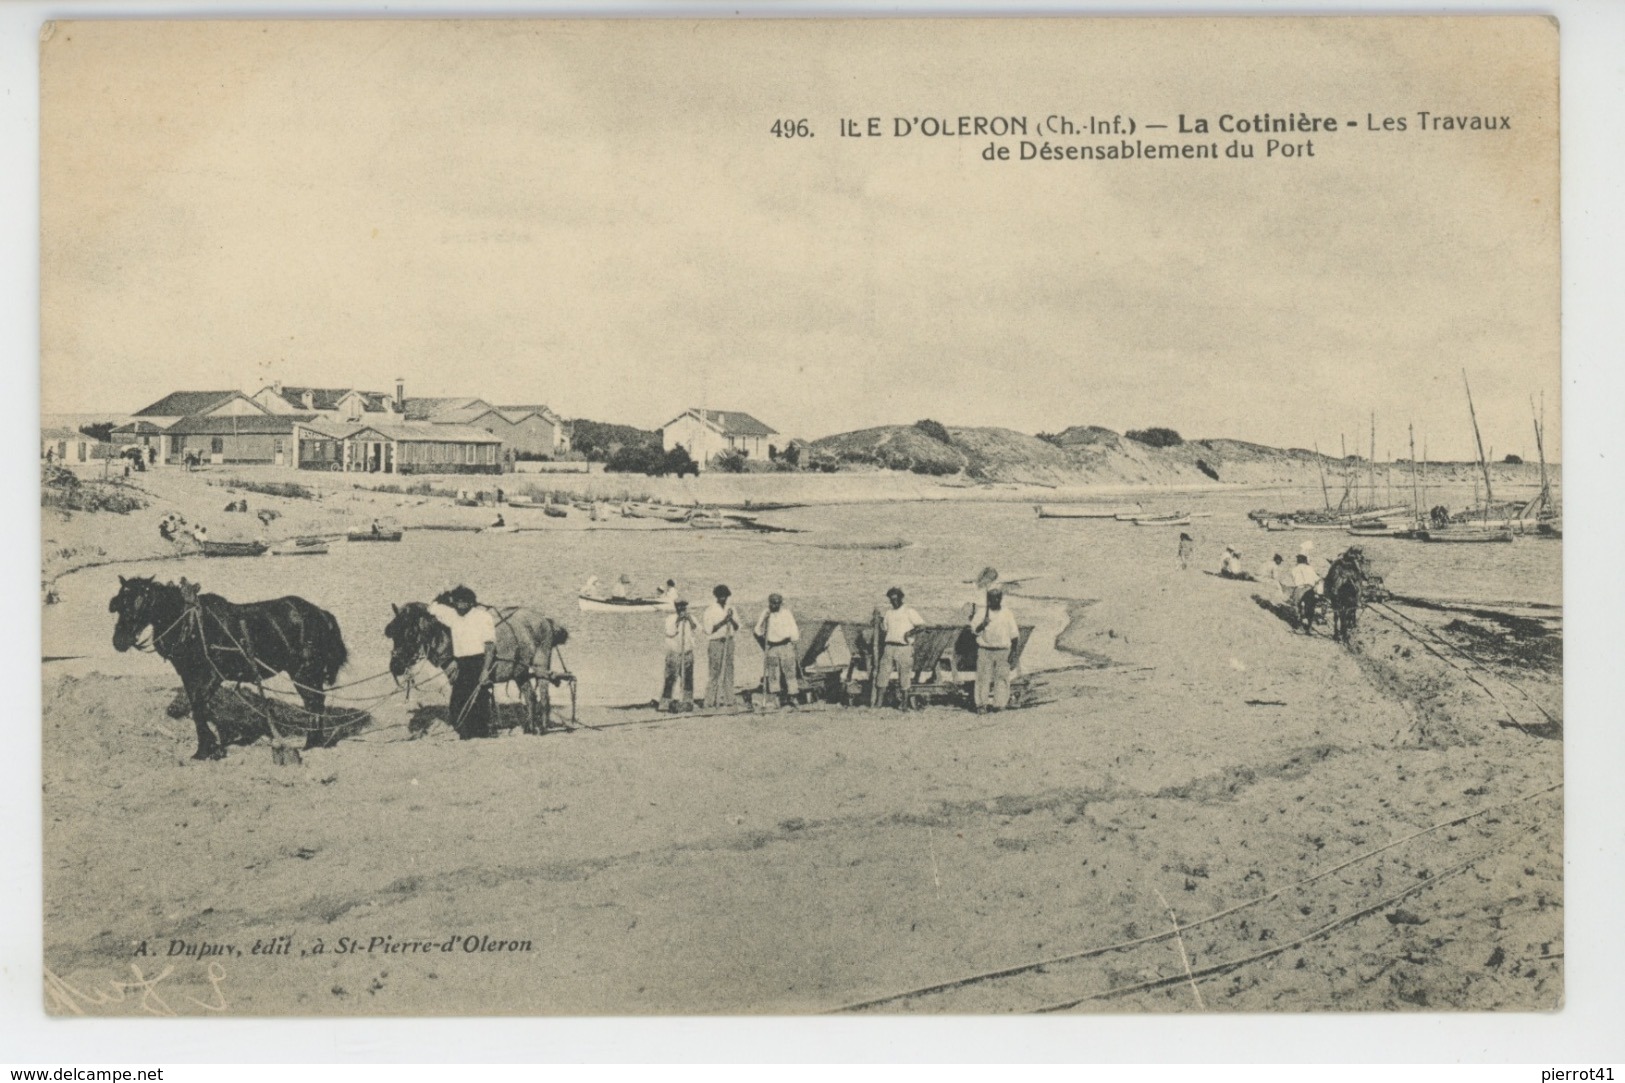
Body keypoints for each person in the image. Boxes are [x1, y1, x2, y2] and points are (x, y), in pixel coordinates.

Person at [427, 585, 498, 738]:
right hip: (461, 663)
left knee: (478, 701)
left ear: (471, 602)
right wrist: (440, 593)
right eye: (457, 601)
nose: (460, 604)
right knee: (457, 702)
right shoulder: (452, 615)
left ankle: (481, 734)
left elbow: (490, 646)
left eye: (464, 601)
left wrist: (485, 671)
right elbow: (432, 608)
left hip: (478, 662)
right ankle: (465, 734)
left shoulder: (483, 617)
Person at [969, 588, 1021, 713]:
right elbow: (973, 630)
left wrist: (1013, 652)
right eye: (991, 598)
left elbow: (1014, 634)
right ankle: (981, 705)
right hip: (984, 650)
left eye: (997, 598)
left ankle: (1000, 704)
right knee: (982, 678)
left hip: (1003, 650)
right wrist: (983, 625)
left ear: (1001, 599)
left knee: (1002, 678)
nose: (994, 601)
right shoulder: (981, 612)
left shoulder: (1007, 613)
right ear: (988, 600)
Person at [878, 587, 925, 709]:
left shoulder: (909, 611)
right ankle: (878, 704)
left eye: (896, 599)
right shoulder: (888, 613)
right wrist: (878, 621)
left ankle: (904, 705)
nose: (894, 602)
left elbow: (921, 626)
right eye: (891, 600)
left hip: (904, 648)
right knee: (882, 675)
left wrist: (909, 633)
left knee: (904, 677)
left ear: (901, 598)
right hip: (889, 647)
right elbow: (884, 628)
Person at [754, 593, 801, 707]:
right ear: (769, 602)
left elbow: (793, 628)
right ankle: (776, 698)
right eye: (772, 603)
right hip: (772, 647)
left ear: (780, 603)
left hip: (786, 645)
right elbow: (757, 630)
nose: (774, 605)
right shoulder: (766, 613)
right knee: (773, 674)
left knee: (790, 672)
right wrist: (764, 620)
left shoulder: (786, 613)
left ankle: (793, 697)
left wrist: (794, 640)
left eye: (777, 603)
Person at [703, 584, 739, 709]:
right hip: (716, 642)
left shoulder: (731, 608)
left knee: (729, 670)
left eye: (725, 596)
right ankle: (710, 701)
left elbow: (737, 626)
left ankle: (730, 700)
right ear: (716, 596)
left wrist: (731, 619)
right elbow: (708, 630)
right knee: (714, 672)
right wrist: (724, 621)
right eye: (721, 596)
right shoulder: (710, 610)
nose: (723, 598)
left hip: (729, 642)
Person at [659, 600, 699, 712]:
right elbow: (670, 632)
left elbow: (697, 629)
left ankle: (687, 701)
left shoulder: (691, 617)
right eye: (679, 606)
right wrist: (678, 621)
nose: (682, 608)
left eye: (684, 606)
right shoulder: (670, 619)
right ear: (676, 607)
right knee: (670, 678)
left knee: (688, 679)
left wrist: (689, 619)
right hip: (674, 652)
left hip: (687, 652)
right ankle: (665, 703)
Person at [1290, 554, 1322, 628]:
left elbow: (1294, 579)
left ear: (1298, 561)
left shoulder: (1294, 569)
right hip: (1309, 589)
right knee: (1311, 607)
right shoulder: (1310, 568)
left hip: (1299, 588)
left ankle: (1297, 622)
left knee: (1296, 605)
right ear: (1305, 560)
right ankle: (1309, 625)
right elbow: (1317, 579)